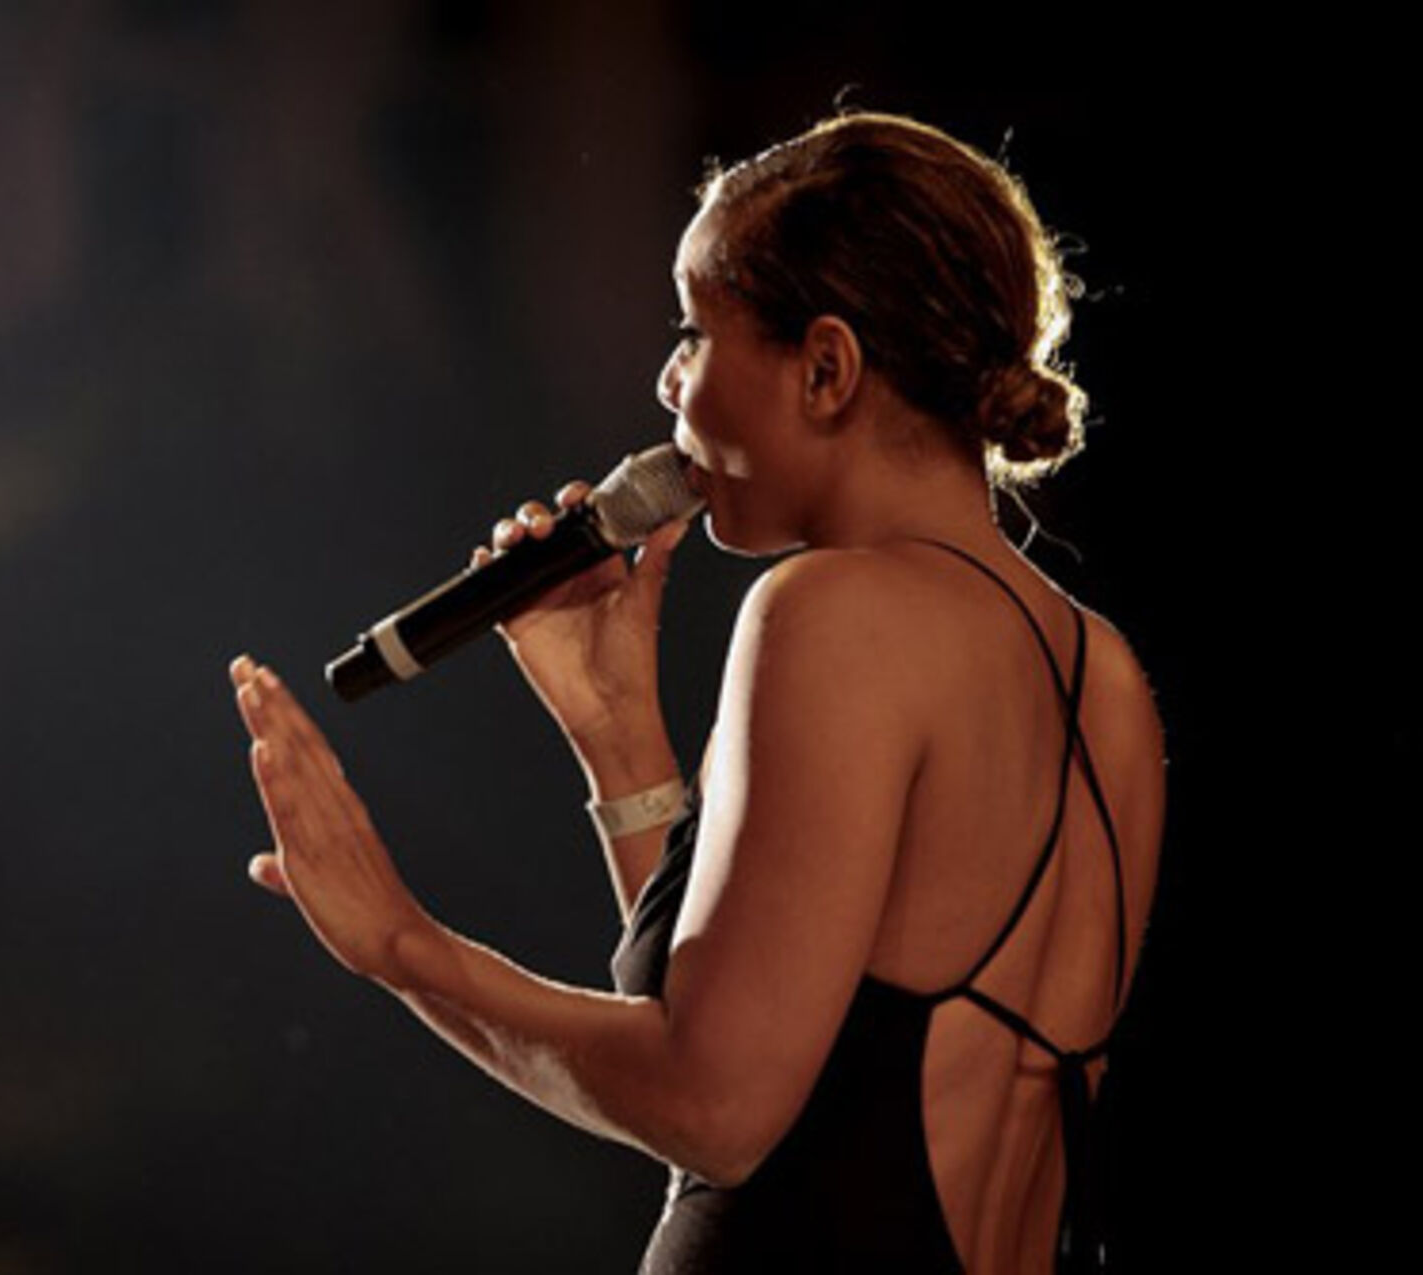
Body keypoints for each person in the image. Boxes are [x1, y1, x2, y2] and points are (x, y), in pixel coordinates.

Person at [229, 109, 1165, 1274]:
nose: (668, 378)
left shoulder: (831, 610)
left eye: (695, 330)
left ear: (825, 369)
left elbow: (713, 1110)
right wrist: (616, 731)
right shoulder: (1102, 675)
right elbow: (775, 1044)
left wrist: (400, 944)